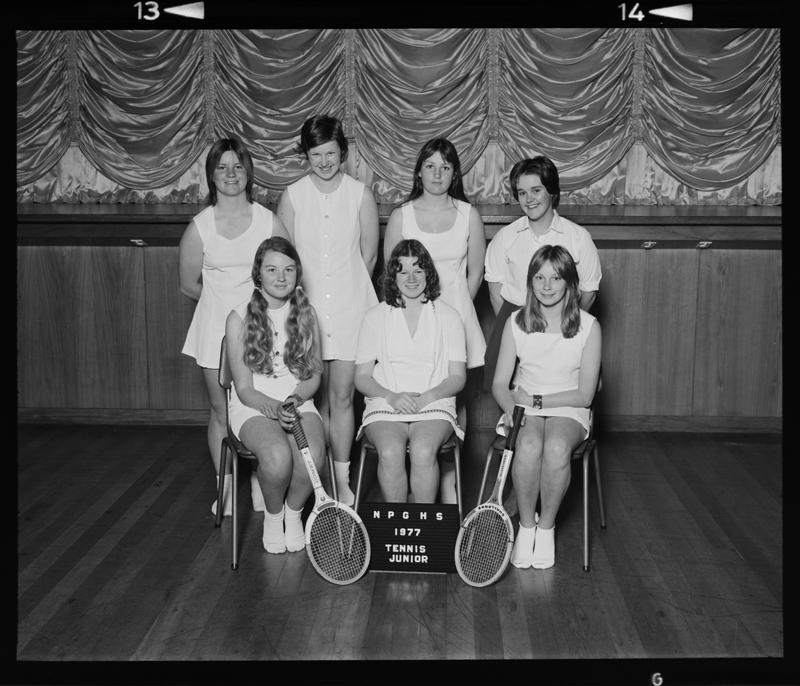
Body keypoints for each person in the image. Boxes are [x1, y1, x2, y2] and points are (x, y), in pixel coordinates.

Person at [179, 136, 289, 517]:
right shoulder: (200, 227)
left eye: (237, 167)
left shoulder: (268, 221)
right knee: (220, 411)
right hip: (214, 330)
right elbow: (188, 284)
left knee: (261, 408)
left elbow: (287, 274)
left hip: (262, 331)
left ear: (248, 173)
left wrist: (251, 314)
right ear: (211, 175)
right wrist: (225, 309)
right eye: (222, 167)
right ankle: (223, 488)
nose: (230, 174)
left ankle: (261, 479)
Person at [277, 114, 379, 506]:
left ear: (343, 153)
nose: (324, 162)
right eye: (316, 154)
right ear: (306, 154)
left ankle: (342, 479)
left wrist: (346, 291)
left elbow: (369, 257)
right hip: (307, 312)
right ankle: (312, 477)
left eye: (331, 153)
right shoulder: (292, 196)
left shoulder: (360, 194)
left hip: (352, 308)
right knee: (311, 399)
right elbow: (284, 258)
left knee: (342, 397)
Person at [382, 138, 486, 505]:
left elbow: (475, 273)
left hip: (455, 315)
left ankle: (449, 479)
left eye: (445, 167)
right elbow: (392, 273)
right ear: (419, 172)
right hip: (411, 320)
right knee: (417, 394)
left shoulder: (468, 215)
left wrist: (450, 316)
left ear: (455, 173)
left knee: (455, 399)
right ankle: (416, 477)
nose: (437, 174)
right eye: (430, 166)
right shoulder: (402, 216)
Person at [492, 245, 601, 570]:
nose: (547, 285)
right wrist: (511, 409)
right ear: (530, 281)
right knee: (527, 446)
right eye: (539, 277)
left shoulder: (589, 326)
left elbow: (585, 395)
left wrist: (537, 401)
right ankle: (527, 527)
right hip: (523, 406)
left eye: (556, 277)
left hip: (569, 407)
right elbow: (500, 384)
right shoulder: (515, 322)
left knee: (555, 447)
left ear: (570, 282)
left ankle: (547, 528)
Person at [224, 236, 325, 554]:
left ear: (297, 273)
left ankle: (293, 515)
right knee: (278, 457)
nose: (281, 277)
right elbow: (244, 388)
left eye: (288, 269)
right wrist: (273, 406)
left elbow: (314, 375)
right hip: (253, 404)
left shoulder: (307, 314)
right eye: (272, 269)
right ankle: (274, 515)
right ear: (258, 274)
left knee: (312, 457)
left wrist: (294, 399)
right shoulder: (238, 317)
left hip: (297, 400)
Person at [354, 239, 467, 504]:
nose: (412, 278)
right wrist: (392, 397)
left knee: (423, 451)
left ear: (428, 272)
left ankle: (422, 521)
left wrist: (426, 398)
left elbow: (458, 377)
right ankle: (397, 523)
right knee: (390, 452)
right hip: (386, 401)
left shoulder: (449, 317)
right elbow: (361, 377)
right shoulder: (375, 316)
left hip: (434, 402)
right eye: (403, 271)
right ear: (393, 276)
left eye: (418, 269)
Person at [483, 156, 601, 390]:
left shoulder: (578, 237)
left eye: (536, 190)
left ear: (552, 191)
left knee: (565, 392)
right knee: (508, 395)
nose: (529, 199)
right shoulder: (505, 237)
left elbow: (588, 292)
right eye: (522, 193)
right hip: (516, 322)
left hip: (564, 324)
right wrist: (517, 330)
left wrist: (563, 324)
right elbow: (496, 294)